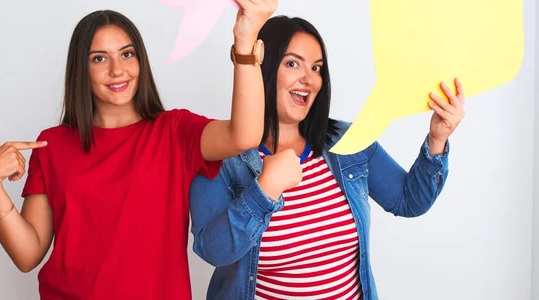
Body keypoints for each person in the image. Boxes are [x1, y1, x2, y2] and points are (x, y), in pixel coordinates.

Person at [0, 0, 277, 299]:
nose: (117, 69)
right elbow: (28, 254)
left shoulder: (173, 132)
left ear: (140, 60)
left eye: (127, 54)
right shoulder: (53, 144)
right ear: (82, 70)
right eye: (99, 58)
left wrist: (246, 43)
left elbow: (244, 136)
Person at [189, 16, 466, 300]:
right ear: (264, 67)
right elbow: (213, 252)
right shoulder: (221, 154)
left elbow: (409, 201)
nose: (309, 79)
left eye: (317, 68)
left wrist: (437, 139)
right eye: (292, 63)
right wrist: (265, 190)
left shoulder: (349, 142)